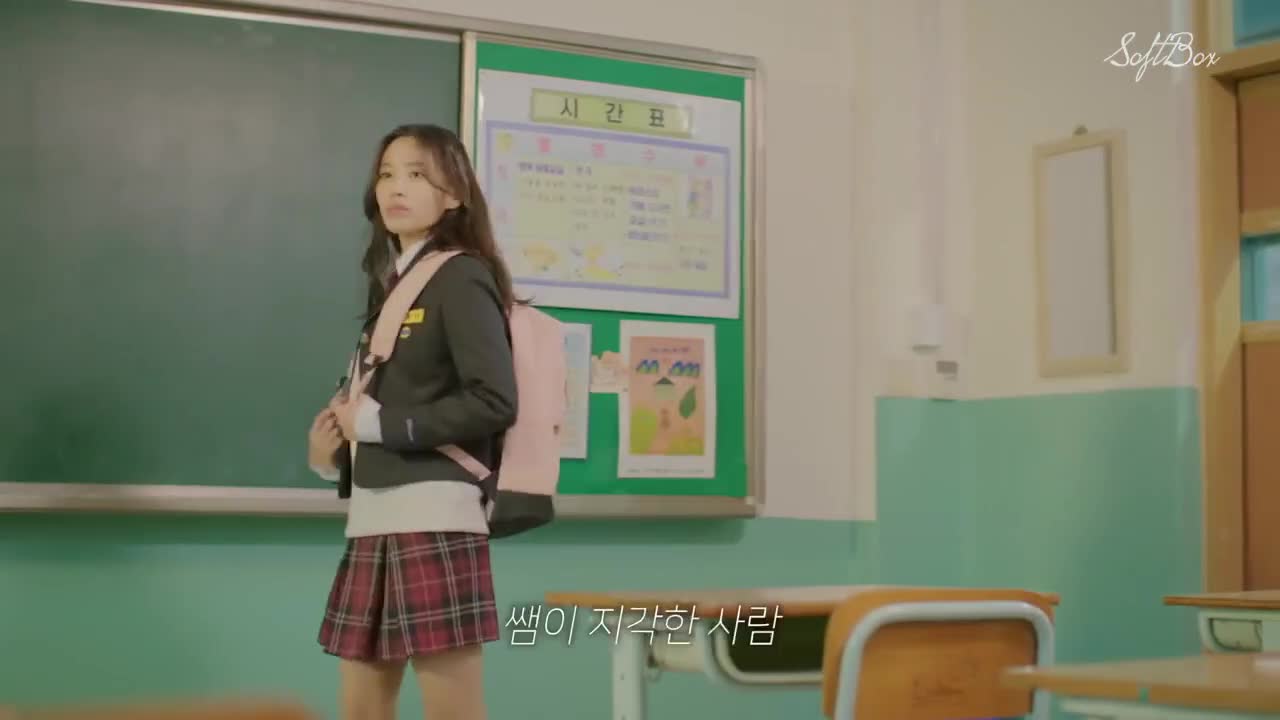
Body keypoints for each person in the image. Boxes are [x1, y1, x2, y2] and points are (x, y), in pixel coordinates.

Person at [306, 123, 519, 720]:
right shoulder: (394, 286)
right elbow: (375, 408)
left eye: (417, 175)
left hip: (434, 518)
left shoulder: (460, 275)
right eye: (387, 174)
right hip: (373, 517)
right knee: (361, 711)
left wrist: (379, 426)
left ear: (454, 195)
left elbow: (494, 401)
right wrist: (329, 460)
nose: (396, 188)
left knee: (452, 712)